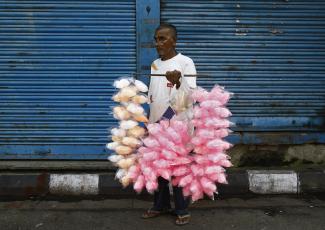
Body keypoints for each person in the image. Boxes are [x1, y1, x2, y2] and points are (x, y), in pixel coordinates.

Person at [141, 23, 197, 226]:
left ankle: (182, 208)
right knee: (158, 168)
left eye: (162, 38)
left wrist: (180, 82)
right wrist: (149, 124)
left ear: (174, 40)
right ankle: (160, 205)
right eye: (156, 38)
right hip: (157, 125)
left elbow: (190, 99)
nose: (158, 43)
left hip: (178, 126)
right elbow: (153, 97)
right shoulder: (155, 64)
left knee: (177, 168)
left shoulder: (185, 62)